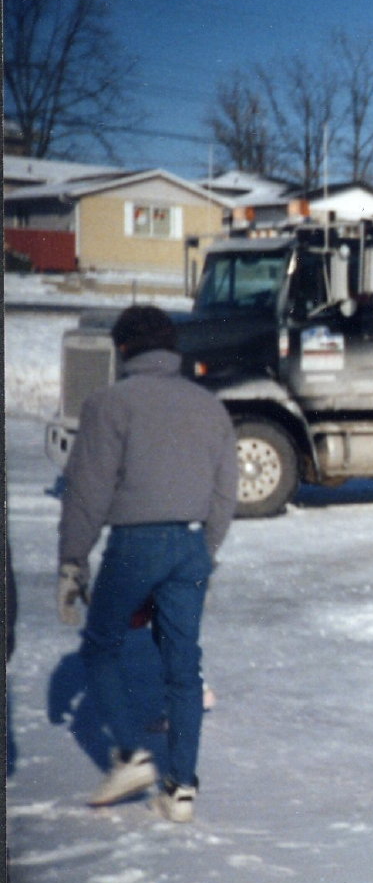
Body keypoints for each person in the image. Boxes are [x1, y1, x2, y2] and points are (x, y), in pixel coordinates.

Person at [57, 305, 238, 823]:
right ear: (172, 350)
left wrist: (73, 559)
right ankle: (181, 789)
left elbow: (88, 491)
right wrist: (207, 547)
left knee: (100, 645)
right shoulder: (210, 407)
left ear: (124, 350)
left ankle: (133, 756)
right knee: (184, 669)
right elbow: (227, 490)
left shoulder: (110, 403)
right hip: (190, 545)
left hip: (136, 541)